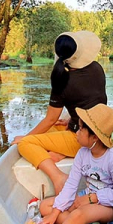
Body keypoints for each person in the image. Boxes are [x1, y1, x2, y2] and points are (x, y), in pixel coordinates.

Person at [13, 30, 107, 194]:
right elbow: (91, 100)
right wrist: (71, 120)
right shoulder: (97, 68)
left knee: (25, 144)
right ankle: (60, 152)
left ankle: (58, 176)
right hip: (104, 132)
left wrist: (27, 137)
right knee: (55, 126)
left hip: (84, 139)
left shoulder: (62, 79)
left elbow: (50, 119)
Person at [31, 103, 113, 224]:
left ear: (94, 136)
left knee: (77, 214)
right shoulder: (82, 153)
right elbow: (71, 185)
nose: (76, 133)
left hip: (109, 205)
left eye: (81, 129)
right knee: (45, 207)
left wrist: (91, 199)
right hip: (86, 196)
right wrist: (55, 213)